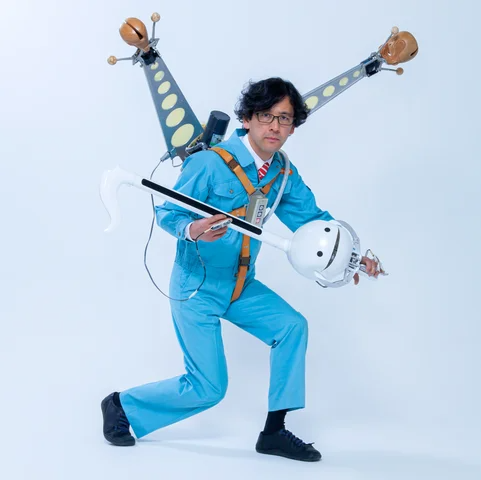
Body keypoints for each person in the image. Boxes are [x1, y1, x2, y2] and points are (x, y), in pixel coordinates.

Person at [101, 77, 378, 462]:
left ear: (293, 127)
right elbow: (169, 212)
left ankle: (274, 432)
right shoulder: (208, 163)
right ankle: (121, 405)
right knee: (209, 388)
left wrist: (352, 255)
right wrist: (194, 230)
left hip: (241, 286)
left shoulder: (283, 173)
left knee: (291, 327)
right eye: (266, 116)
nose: (275, 127)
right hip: (196, 288)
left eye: (285, 118)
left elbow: (313, 222)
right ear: (247, 119)